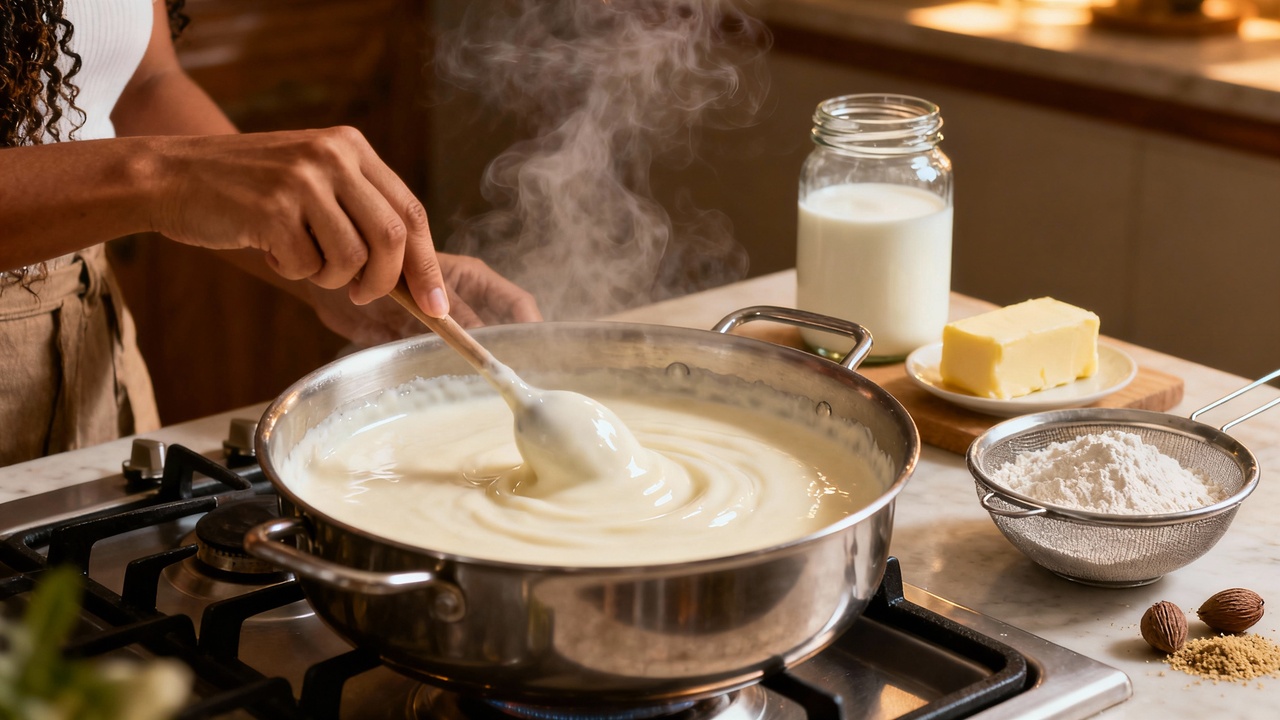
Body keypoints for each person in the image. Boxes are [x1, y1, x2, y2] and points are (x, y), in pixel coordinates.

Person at [0, 0, 543, 467]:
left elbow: (143, 82)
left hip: (92, 343)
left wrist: (332, 260)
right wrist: (166, 177)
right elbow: (162, 168)